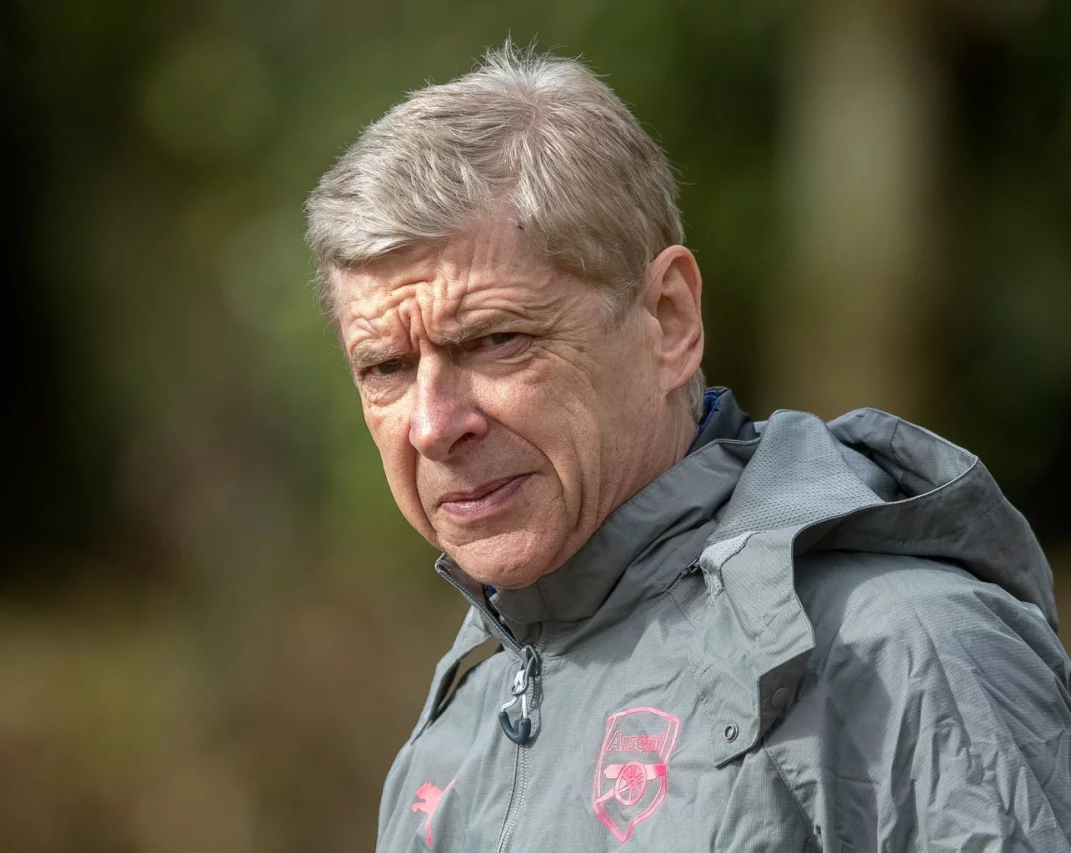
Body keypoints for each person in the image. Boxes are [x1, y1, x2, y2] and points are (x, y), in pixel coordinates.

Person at [304, 43, 1071, 852]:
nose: (432, 424)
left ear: (669, 319)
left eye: (496, 340)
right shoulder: (460, 724)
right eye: (385, 367)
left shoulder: (907, 654)